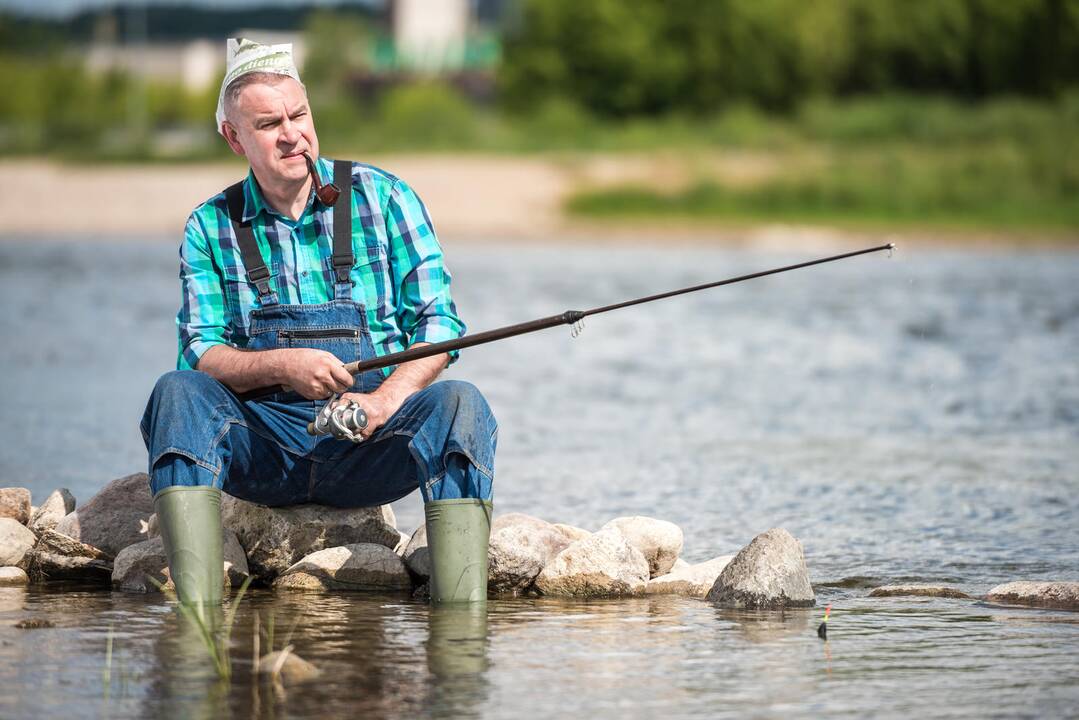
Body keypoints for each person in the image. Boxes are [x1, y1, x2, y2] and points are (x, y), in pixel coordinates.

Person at [140, 39, 497, 606]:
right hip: (263, 451)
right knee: (176, 393)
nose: (291, 134)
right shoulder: (210, 225)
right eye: (268, 124)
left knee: (461, 404)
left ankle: (460, 622)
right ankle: (198, 627)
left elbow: (441, 327)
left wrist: (381, 402)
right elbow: (201, 352)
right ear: (235, 138)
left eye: (298, 116)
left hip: (373, 445)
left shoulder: (386, 197)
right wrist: (282, 365)